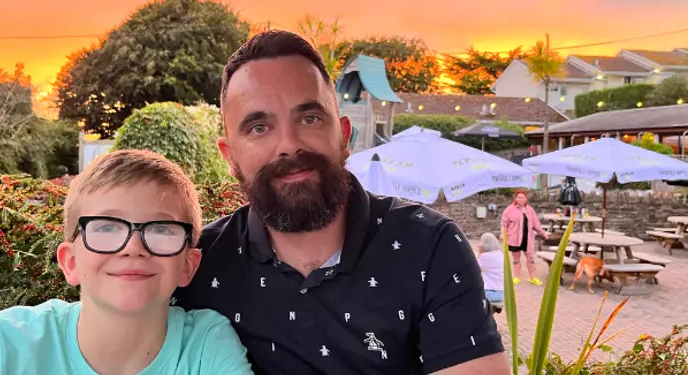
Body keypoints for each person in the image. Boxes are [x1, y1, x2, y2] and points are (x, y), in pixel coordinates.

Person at [174, 30, 509, 375]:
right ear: (230, 157)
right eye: (259, 127)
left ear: (344, 135)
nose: (288, 144)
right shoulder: (195, 264)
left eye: (309, 119)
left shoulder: (430, 247)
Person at [0, 150, 253, 375]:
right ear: (70, 262)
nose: (134, 247)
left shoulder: (206, 346)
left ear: (187, 266)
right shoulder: (3, 345)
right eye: (106, 227)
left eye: (161, 229)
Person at [500, 189, 547, 286]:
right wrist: (502, 234)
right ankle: (517, 277)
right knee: (516, 258)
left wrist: (543, 233)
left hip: (528, 239)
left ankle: (532, 277)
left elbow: (536, 224)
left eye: (523, 197)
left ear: (526, 199)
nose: (521, 199)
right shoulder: (509, 210)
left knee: (530, 258)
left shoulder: (530, 210)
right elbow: (504, 223)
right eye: (519, 197)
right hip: (514, 238)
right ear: (515, 198)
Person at [477, 232, 504, 303]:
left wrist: (480, 253)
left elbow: (475, 268)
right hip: (501, 292)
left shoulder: (484, 257)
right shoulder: (500, 254)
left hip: (488, 292)